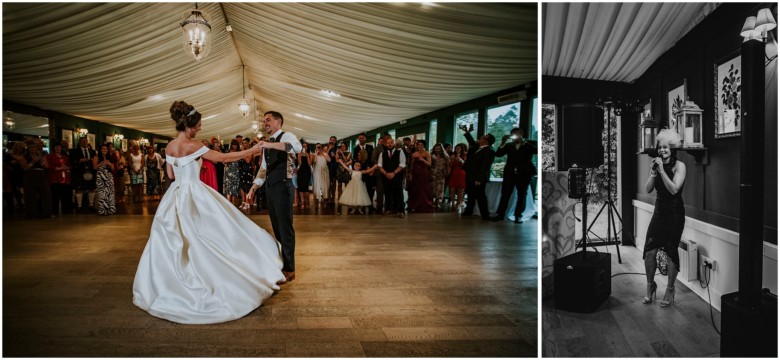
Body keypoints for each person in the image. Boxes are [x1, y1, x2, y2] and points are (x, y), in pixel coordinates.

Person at [133, 100, 284, 324]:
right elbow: (223, 158)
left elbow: (172, 175)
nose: (201, 128)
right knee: (215, 232)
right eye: (199, 125)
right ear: (191, 125)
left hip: (176, 194)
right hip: (194, 192)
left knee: (179, 238)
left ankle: (173, 282)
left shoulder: (169, 147)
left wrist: (189, 168)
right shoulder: (194, 146)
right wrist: (252, 150)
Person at [246, 111, 302, 285]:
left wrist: (269, 146)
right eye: (264, 121)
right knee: (277, 228)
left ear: (279, 122)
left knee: (285, 228)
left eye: (268, 120)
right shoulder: (268, 143)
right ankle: (281, 263)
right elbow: (263, 168)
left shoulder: (287, 136)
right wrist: (254, 187)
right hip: (271, 188)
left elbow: (296, 148)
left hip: (284, 187)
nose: (265, 124)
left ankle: (290, 269)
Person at [642, 129, 687, 307]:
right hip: (659, 212)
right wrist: (653, 172)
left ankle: (670, 289)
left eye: (666, 147)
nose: (662, 150)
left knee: (670, 252)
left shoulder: (680, 166)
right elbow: (647, 189)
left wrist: (661, 171)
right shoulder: (656, 166)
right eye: (660, 147)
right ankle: (650, 286)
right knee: (649, 251)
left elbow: (674, 189)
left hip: (675, 213)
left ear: (672, 149)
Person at [492, 128, 537, 223]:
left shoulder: (531, 143)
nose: (514, 136)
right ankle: (500, 214)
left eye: (516, 134)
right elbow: (498, 154)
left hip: (524, 174)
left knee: (522, 195)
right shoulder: (509, 145)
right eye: (512, 134)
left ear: (521, 134)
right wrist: (503, 142)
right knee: (505, 195)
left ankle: (518, 216)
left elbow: (536, 151)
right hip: (509, 173)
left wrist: (524, 143)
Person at [462, 128, 496, 221]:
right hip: (470, 176)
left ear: (486, 141)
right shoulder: (477, 148)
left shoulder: (489, 151)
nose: (479, 138)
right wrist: (467, 133)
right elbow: (472, 142)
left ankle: (485, 215)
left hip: (478, 178)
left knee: (480, 196)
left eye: (482, 137)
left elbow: (485, 167)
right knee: (470, 195)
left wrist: (479, 179)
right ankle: (468, 211)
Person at [378, 135, 407, 218]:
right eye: (388, 143)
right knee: (387, 193)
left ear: (394, 143)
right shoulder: (382, 154)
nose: (389, 144)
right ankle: (388, 209)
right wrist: (386, 173)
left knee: (398, 193)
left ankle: (400, 210)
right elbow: (380, 165)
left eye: (391, 143)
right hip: (386, 176)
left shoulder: (400, 152)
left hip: (397, 176)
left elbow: (402, 164)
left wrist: (394, 173)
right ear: (386, 144)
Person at [406, 140, 434, 213]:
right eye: (418, 145)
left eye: (421, 145)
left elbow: (429, 164)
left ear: (424, 146)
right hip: (415, 173)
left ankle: (423, 205)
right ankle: (414, 205)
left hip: (423, 173)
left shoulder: (427, 153)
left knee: (423, 189)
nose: (420, 146)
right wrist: (410, 174)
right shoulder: (414, 154)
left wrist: (423, 160)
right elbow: (412, 165)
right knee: (415, 189)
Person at [70, 136, 97, 210]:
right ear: (79, 142)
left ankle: (91, 205)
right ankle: (79, 205)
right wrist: (80, 160)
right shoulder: (74, 151)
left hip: (90, 172)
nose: (84, 142)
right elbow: (71, 161)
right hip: (79, 172)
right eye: (83, 141)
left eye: (86, 141)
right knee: (79, 189)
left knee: (91, 188)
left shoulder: (92, 151)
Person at [47, 141, 73, 215]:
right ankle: (54, 212)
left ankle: (66, 211)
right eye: (56, 147)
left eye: (59, 147)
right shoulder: (50, 156)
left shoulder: (65, 157)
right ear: (53, 148)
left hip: (65, 178)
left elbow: (70, 166)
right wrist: (58, 168)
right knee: (55, 196)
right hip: (55, 178)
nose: (58, 148)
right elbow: (49, 166)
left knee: (65, 196)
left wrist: (67, 167)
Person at [92, 144, 116, 216]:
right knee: (102, 194)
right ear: (100, 150)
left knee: (110, 193)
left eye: (106, 149)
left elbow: (113, 169)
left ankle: (110, 209)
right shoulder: (96, 157)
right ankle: (103, 210)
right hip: (100, 177)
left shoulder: (109, 157)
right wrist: (103, 162)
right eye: (103, 149)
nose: (105, 150)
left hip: (109, 177)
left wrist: (110, 164)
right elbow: (94, 167)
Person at [429, 143, 450, 210]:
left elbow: (448, 165)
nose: (437, 150)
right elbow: (429, 164)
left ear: (441, 149)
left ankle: (437, 202)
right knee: (432, 187)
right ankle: (431, 202)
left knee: (439, 188)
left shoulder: (445, 156)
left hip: (441, 173)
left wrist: (447, 173)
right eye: (436, 148)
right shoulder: (431, 155)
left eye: (438, 148)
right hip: (433, 172)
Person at [448, 143, 467, 211]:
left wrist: (461, 160)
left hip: (461, 173)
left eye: (459, 148)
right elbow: (450, 165)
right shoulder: (453, 155)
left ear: (461, 149)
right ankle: (452, 203)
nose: (457, 149)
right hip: (453, 173)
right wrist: (451, 160)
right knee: (452, 189)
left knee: (460, 190)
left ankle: (458, 204)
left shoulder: (464, 155)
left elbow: (466, 164)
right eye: (456, 148)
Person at [296, 141, 312, 209]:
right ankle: (302, 203)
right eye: (303, 146)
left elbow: (310, 164)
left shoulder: (310, 154)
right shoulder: (299, 153)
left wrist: (307, 156)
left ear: (307, 147)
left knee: (306, 188)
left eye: (306, 146)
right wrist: (300, 156)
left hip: (307, 172)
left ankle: (307, 202)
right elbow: (299, 163)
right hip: (301, 172)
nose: (304, 147)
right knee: (301, 187)